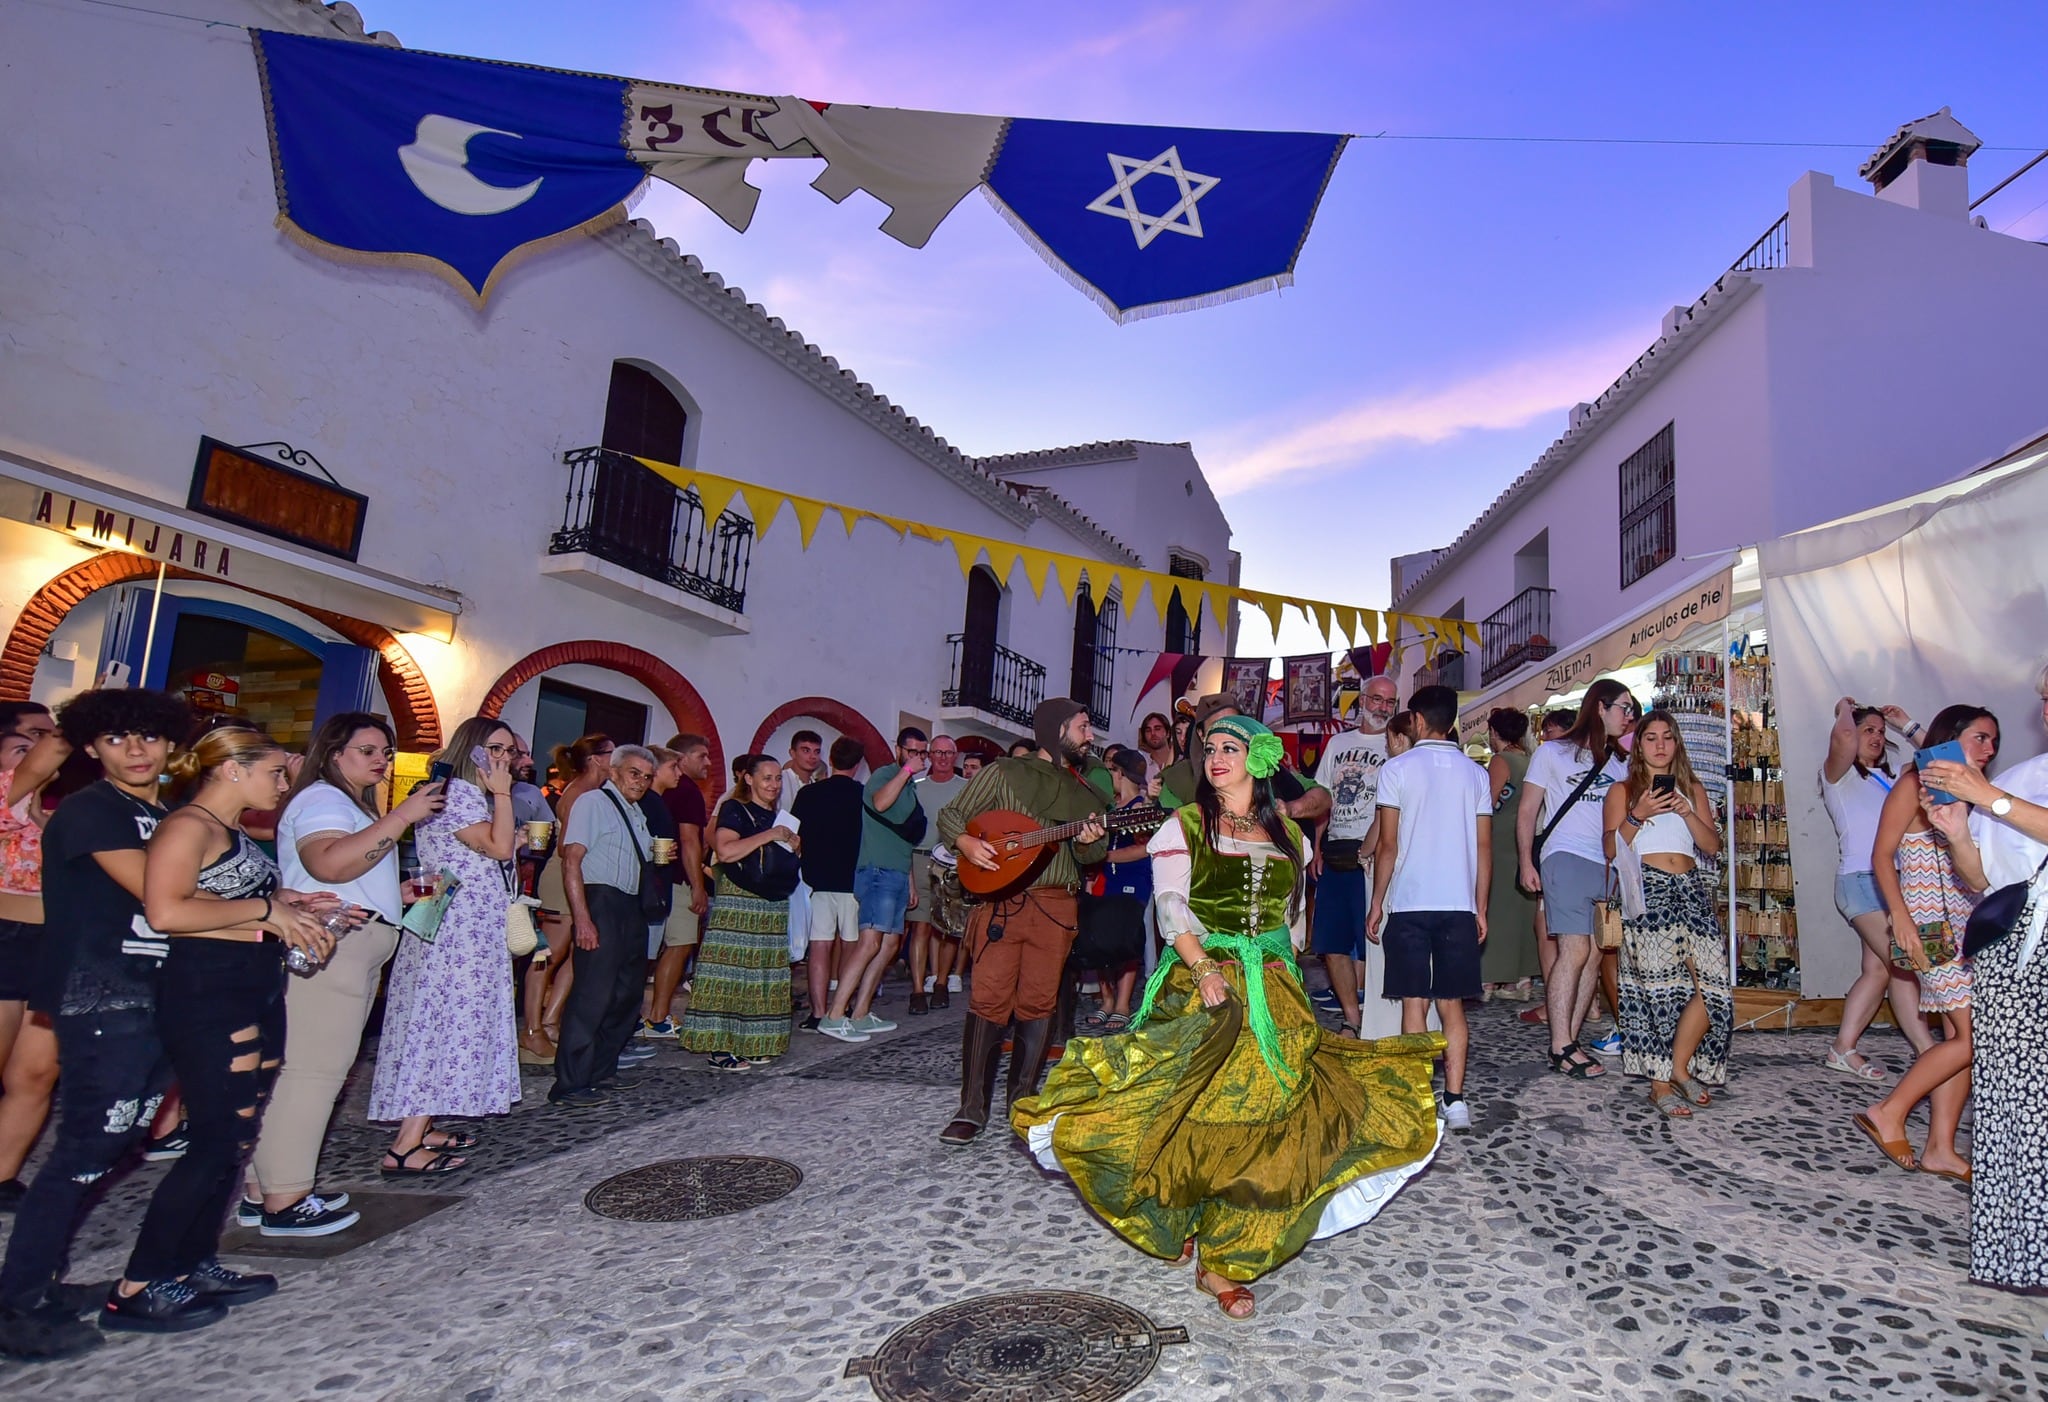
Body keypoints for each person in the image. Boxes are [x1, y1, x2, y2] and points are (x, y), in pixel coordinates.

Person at [1013, 714, 1442, 1320]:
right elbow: (1170, 906)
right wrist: (1203, 967)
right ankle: (1179, 1211)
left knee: (1270, 1116)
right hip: (1204, 981)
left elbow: (1294, 919)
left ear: (1257, 759)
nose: (1215, 757)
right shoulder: (1182, 826)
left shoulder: (1289, 835)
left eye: (1229, 747)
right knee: (1187, 1105)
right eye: (1209, 748)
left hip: (1272, 989)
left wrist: (1285, 966)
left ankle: (1224, 1260)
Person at [119, 723, 336, 1333]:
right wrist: (267, 910)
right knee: (214, 1138)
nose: (283, 781)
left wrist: (292, 906)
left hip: (252, 985)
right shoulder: (186, 826)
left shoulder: (230, 830)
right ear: (232, 770)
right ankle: (139, 1282)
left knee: (239, 1138)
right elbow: (166, 910)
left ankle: (192, 1260)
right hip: (207, 994)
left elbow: (228, 905)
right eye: (274, 771)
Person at [0, 691, 190, 1359]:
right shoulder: (90, 812)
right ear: (90, 747)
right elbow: (161, 893)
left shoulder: (158, 813)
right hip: (98, 998)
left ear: (170, 745)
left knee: (111, 1148)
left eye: (147, 738)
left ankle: (42, 1283)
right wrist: (266, 907)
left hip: (148, 997)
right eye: (116, 739)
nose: (135, 751)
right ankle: (15, 1303)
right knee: (82, 1153)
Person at [241, 713, 443, 1237]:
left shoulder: (350, 803)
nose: (381, 759)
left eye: (385, 751)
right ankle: (286, 1200)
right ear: (334, 753)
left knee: (304, 1070)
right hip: (332, 947)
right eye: (367, 750)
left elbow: (343, 871)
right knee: (312, 1074)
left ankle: (263, 1190)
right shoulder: (324, 800)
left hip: (351, 941)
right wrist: (402, 818)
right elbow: (329, 864)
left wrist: (393, 898)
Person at [1920, 664, 2048, 1288]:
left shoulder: (2004, 790)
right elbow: (1981, 882)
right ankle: (2018, 1253)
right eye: (2047, 700)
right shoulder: (2026, 780)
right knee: (2012, 1107)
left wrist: (1986, 798)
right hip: (2013, 956)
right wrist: (1957, 833)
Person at [936, 700, 1108, 1144]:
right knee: (988, 1000)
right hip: (1002, 905)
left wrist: (1091, 842)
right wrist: (967, 845)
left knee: (1038, 1003)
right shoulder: (1002, 773)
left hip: (1056, 909)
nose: (1090, 737)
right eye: (1084, 727)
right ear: (1057, 730)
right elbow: (950, 815)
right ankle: (971, 1107)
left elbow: (1089, 857)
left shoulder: (1084, 791)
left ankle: (1022, 1100)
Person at [368, 716, 520, 1166]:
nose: (503, 759)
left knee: (439, 1018)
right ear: (470, 747)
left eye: (509, 752)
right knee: (442, 1022)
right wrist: (503, 792)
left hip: (449, 913)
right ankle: (406, 1144)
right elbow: (499, 847)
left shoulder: (459, 795)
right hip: (459, 927)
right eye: (494, 748)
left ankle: (423, 1125)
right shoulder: (457, 795)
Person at [1857, 704, 1998, 1180]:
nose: (1990, 748)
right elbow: (1881, 855)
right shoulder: (1912, 785)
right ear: (1953, 738)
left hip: (1962, 926)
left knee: (1962, 1038)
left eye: (1993, 741)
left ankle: (1940, 1147)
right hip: (1926, 926)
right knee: (1973, 1036)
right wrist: (1899, 917)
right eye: (1980, 737)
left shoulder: (1964, 791)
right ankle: (1889, 1111)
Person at [1367, 685, 1491, 1129]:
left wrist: (1377, 902)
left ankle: (1419, 1097)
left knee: (1414, 1004)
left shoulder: (1396, 769)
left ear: (1417, 721)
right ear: (1453, 721)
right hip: (1457, 902)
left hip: (1409, 902)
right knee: (1451, 1005)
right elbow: (1483, 846)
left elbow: (1387, 845)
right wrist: (1481, 907)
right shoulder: (1476, 774)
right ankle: (1455, 1100)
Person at [1602, 710, 1730, 1118]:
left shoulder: (1693, 788)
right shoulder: (1622, 791)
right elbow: (1609, 850)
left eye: (1667, 737)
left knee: (1715, 986)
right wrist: (1638, 814)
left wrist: (1686, 811)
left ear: (1677, 743)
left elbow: (1711, 847)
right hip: (1647, 887)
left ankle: (1678, 1067)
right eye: (1650, 737)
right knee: (1656, 990)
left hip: (1690, 888)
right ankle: (1660, 1084)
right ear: (1638, 745)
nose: (1659, 745)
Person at [1519, 679, 1635, 1080]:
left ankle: (1571, 1037)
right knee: (1574, 949)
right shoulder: (1553, 752)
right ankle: (1559, 1044)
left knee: (1597, 952)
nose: (1629, 715)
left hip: (1608, 865)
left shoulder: (1621, 762)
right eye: (1624, 707)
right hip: (1564, 856)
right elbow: (1528, 810)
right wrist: (1524, 861)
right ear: (1600, 707)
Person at [1820, 697, 1929, 1081]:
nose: (1877, 737)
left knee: (1879, 971)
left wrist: (1908, 724)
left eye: (1882, 733)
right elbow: (1845, 737)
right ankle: (1928, 1051)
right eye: (1871, 730)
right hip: (1859, 881)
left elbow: (1944, 760)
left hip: (1892, 884)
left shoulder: (1894, 776)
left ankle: (1842, 1048)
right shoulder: (1838, 776)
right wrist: (1843, 711)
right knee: (1905, 964)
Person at [549, 745, 659, 1106]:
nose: (640, 781)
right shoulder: (592, 802)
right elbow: (571, 861)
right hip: (602, 901)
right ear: (614, 771)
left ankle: (599, 1070)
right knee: (592, 994)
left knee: (626, 994)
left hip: (629, 906)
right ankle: (570, 1082)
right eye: (634, 772)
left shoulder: (636, 813)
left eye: (646, 776)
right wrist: (583, 917)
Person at [680, 755, 799, 1070]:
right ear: (748, 779)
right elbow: (727, 850)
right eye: (767, 778)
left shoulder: (778, 815)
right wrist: (772, 835)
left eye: (777, 779)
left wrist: (793, 843)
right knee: (730, 973)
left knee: (762, 973)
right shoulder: (734, 809)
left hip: (771, 904)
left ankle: (754, 1042)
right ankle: (719, 1047)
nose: (773, 785)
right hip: (740, 901)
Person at [820, 728, 928, 1040]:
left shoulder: (908, 785)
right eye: (912, 751)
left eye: (922, 753)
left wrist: (909, 881)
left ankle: (861, 1012)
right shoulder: (886, 775)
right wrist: (906, 770)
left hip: (895, 871)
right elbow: (880, 803)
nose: (918, 758)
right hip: (877, 872)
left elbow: (902, 837)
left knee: (890, 944)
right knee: (869, 943)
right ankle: (834, 1014)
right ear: (899, 749)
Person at [0, 720, 68, 1209]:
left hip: (54, 944)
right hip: (6, 940)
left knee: (37, 1072)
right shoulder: (6, 800)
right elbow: (46, 757)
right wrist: (83, 714)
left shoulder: (62, 813)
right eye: (24, 744)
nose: (37, 753)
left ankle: (2, 1177)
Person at [1311, 676, 1397, 1039]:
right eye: (1376, 699)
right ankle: (1352, 1017)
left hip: (1376, 855)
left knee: (1374, 943)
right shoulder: (1338, 743)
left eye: (1389, 702)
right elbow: (1323, 795)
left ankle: (1379, 1019)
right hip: (1336, 852)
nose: (1382, 707)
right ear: (1362, 700)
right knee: (1331, 943)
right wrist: (1318, 844)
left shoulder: (1398, 745)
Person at [524, 733, 613, 1064]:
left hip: (579, 878)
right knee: (549, 953)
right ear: (596, 759)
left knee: (576, 954)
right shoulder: (578, 793)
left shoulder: (593, 792)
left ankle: (551, 1020)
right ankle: (532, 1029)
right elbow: (565, 846)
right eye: (611, 754)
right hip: (562, 877)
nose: (614, 761)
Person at [790, 739, 867, 1036]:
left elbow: (794, 835)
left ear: (830, 759)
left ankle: (817, 1012)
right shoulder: (863, 796)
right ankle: (842, 1006)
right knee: (850, 945)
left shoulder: (808, 793)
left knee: (819, 946)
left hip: (816, 879)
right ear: (858, 765)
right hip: (852, 880)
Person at [1079, 748, 1153, 1032]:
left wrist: (1105, 857)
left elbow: (1144, 848)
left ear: (1121, 773)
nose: (1109, 776)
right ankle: (1107, 1000)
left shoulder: (1139, 809)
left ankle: (1122, 1004)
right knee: (1100, 939)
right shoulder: (1111, 809)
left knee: (1124, 941)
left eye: (1112, 770)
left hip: (1131, 878)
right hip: (1104, 880)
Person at [643, 736, 712, 1038]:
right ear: (681, 759)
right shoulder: (687, 792)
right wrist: (698, 884)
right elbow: (689, 840)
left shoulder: (654, 795)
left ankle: (645, 1015)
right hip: (675, 880)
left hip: (656, 880)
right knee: (680, 943)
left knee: (651, 949)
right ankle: (657, 1016)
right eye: (702, 756)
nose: (707, 763)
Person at [1480, 709, 1538, 1002]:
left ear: (1494, 732)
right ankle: (1523, 978)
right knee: (1521, 911)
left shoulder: (1501, 761)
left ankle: (1489, 979)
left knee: (1496, 908)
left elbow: (1488, 802)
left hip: (1499, 840)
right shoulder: (1530, 761)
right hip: (1523, 842)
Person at [909, 734, 968, 1014]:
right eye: (937, 752)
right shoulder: (916, 786)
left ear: (955, 756)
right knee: (920, 926)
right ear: (929, 756)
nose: (943, 757)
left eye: (948, 753)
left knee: (947, 929)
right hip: (919, 858)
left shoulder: (967, 788)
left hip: (952, 863)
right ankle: (918, 990)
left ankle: (942, 983)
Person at [1138, 710, 1174, 781]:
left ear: (1168, 733)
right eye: (1148, 730)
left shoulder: (1180, 762)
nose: (1153, 733)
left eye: (1157, 729)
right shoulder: (1140, 764)